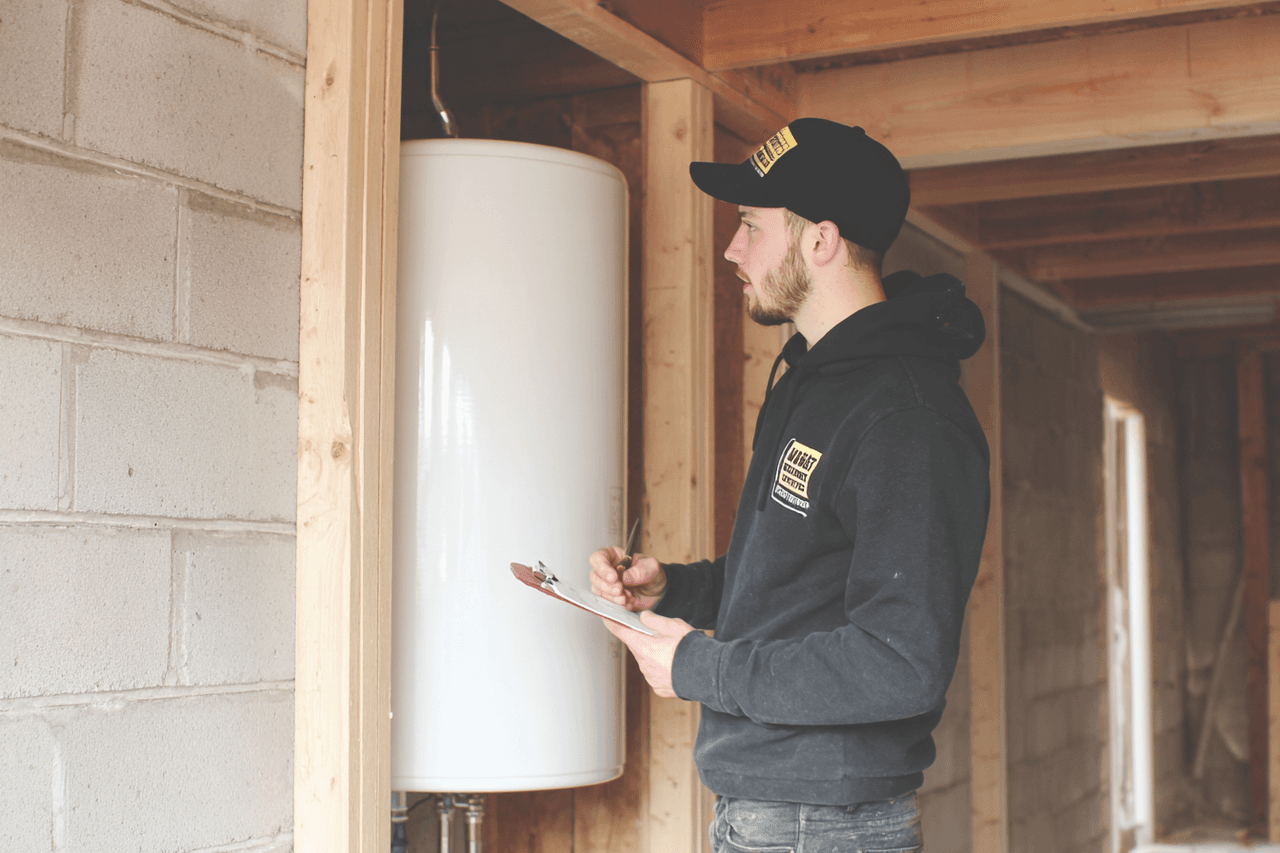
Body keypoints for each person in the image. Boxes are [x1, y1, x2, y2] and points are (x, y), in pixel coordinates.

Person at [590, 117, 990, 853]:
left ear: (821, 241)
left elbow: (901, 662)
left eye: (750, 224)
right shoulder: (812, 380)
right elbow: (799, 581)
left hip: (822, 825)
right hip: (775, 812)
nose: (730, 247)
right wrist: (673, 588)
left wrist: (699, 665)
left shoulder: (905, 415)